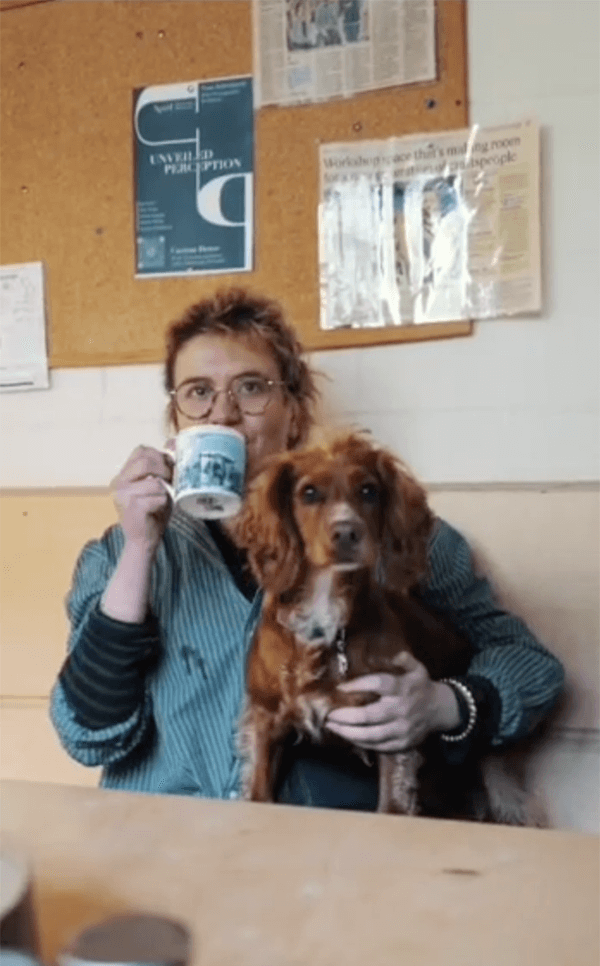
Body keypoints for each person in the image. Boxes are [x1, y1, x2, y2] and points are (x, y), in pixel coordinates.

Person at [50, 287, 564, 814]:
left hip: (322, 847)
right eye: (197, 392)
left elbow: (530, 666)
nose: (222, 415)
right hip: (166, 829)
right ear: (178, 422)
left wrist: (443, 705)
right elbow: (87, 734)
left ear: (294, 414)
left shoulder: (380, 527)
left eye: (251, 389)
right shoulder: (120, 552)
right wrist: (141, 547)